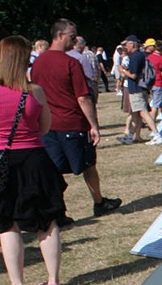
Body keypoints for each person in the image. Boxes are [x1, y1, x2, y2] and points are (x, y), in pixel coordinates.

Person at [0, 35, 67, 285]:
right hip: (35, 160)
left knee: (7, 223)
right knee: (47, 222)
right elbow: (45, 127)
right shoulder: (35, 91)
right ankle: (52, 282)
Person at [32, 18, 120, 217]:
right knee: (88, 165)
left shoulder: (38, 63)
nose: (74, 41)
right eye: (72, 37)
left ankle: (57, 210)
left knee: (53, 169)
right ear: (60, 35)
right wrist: (94, 125)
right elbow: (83, 97)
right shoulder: (71, 62)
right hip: (72, 123)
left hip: (47, 125)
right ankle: (99, 202)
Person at [121, 35, 162, 145]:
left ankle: (156, 134)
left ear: (132, 44)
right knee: (136, 114)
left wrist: (123, 71)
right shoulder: (141, 55)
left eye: (127, 44)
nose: (126, 46)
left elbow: (133, 75)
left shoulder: (135, 56)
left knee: (143, 112)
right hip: (141, 88)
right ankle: (131, 136)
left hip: (136, 89)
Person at [146, 39, 162, 121]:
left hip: (151, 83)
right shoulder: (161, 59)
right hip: (158, 83)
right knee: (156, 105)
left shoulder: (149, 57)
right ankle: (151, 121)